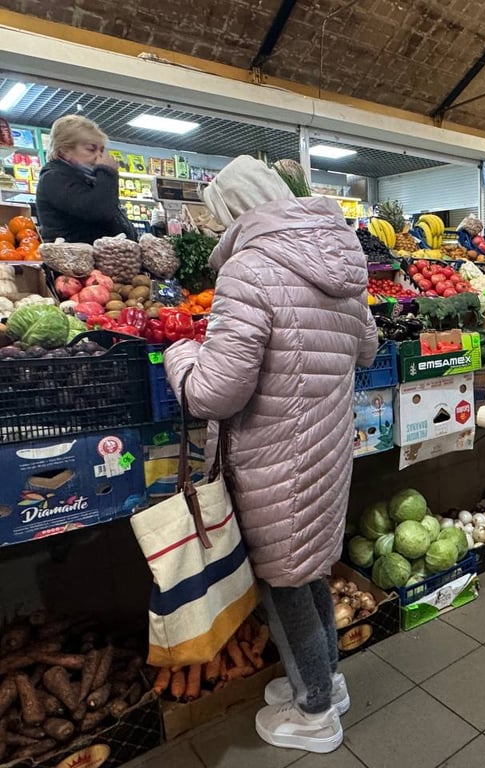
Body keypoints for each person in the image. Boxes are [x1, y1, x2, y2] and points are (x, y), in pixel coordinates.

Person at [163, 156, 377, 754]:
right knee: (306, 569)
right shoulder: (342, 262)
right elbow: (366, 349)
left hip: (272, 459)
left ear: (234, 211)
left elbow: (215, 392)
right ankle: (326, 682)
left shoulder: (248, 270)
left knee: (282, 584)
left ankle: (315, 714)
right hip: (326, 450)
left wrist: (180, 356)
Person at [35, 116, 138, 244]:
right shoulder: (53, 178)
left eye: (101, 150)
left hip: (98, 259)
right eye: (91, 149)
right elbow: (98, 211)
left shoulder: (87, 178)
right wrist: (106, 172)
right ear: (65, 150)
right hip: (73, 259)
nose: (99, 156)